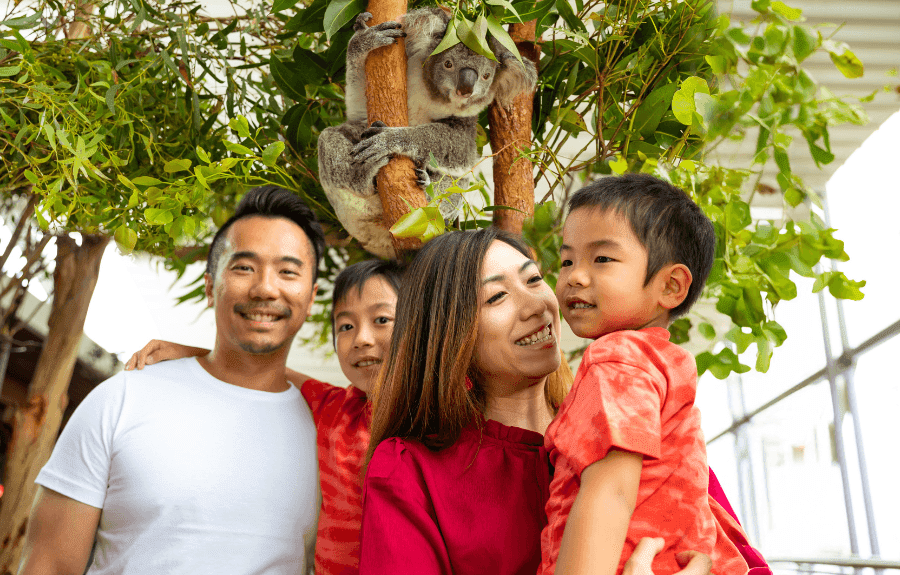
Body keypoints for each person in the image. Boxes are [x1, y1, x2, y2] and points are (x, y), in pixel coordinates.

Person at [359, 228, 764, 575]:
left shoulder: (630, 419)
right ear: (449, 335)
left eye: (534, 280)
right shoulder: (410, 469)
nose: (536, 305)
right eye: (497, 297)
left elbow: (741, 558)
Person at [20, 186, 324, 575]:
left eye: (288, 272)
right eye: (244, 267)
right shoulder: (123, 398)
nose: (266, 288)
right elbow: (49, 564)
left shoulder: (330, 431)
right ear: (210, 287)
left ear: (311, 297)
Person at [124, 259, 403, 575]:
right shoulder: (336, 408)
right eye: (346, 326)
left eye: (382, 319)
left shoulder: (436, 421)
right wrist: (192, 352)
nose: (362, 338)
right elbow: (269, 371)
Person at [542, 174, 753, 575]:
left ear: (671, 286)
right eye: (567, 260)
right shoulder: (663, 362)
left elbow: (611, 493)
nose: (575, 276)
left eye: (602, 259)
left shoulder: (618, 359)